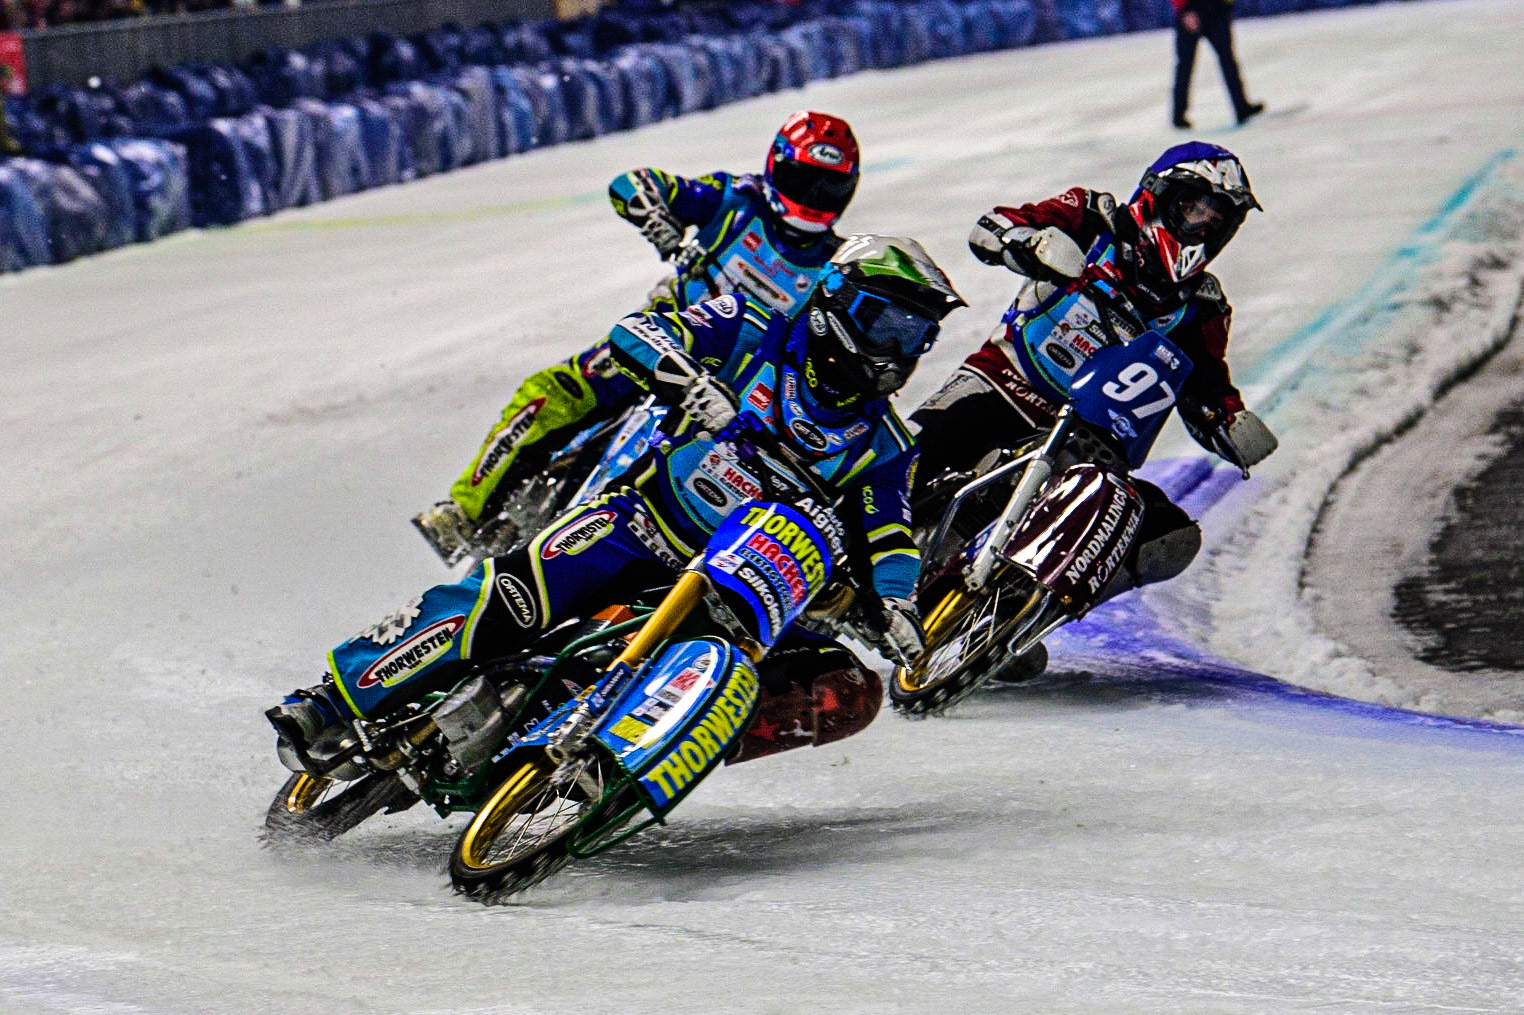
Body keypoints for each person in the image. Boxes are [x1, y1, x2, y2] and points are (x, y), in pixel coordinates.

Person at [271, 236, 966, 772]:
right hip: (640, 524)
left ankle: (656, 750)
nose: (896, 350)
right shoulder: (752, 326)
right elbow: (641, 330)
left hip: (741, 592)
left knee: (847, 689)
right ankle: (333, 698)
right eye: (888, 324)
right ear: (838, 300)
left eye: (916, 336)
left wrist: (901, 606)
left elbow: (891, 532)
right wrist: (687, 377)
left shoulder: (888, 442)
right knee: (510, 596)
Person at [413, 110, 863, 563]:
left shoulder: (835, 268)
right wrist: (657, 222)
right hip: (655, 342)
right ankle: (464, 514)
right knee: (554, 391)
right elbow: (632, 184)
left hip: (734, 391)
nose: (812, 195)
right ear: (776, 167)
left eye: (829, 185)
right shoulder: (731, 200)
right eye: (804, 178)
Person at [909, 142, 1278, 673]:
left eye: (1217, 220)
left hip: (1092, 446)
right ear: (1161, 195)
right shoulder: (1093, 216)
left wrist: (1226, 420)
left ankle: (1010, 616)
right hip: (1004, 387)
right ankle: (839, 568)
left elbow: (1206, 386)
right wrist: (1027, 241)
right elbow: (990, 228)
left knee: (1167, 538)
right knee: (906, 458)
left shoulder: (1203, 307)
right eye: (1195, 208)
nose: (1203, 227)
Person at [1170, 0, 1263, 129]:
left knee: (1228, 60)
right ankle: (1178, 117)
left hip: (1217, 10)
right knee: (1186, 66)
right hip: (1192, 8)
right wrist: (1185, 10)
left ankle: (1242, 108)